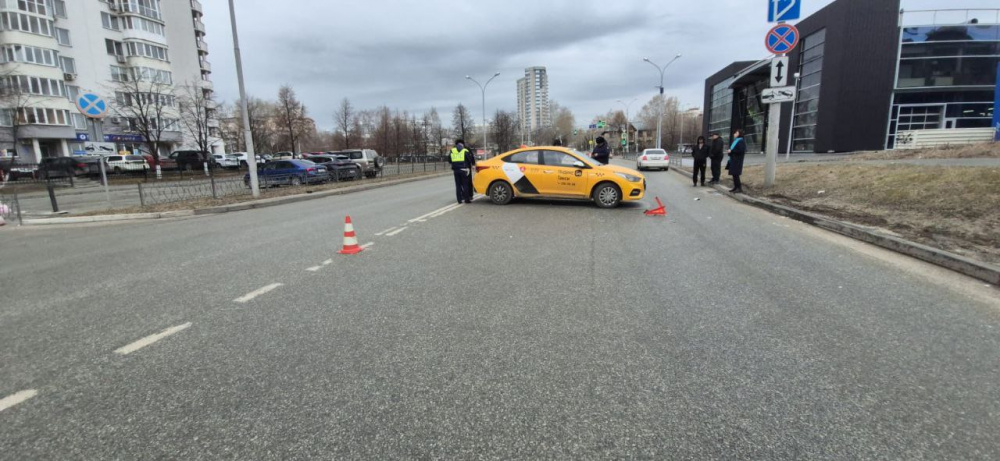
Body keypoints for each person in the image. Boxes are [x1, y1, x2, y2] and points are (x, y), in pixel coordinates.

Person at [449, 139, 474, 204]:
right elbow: (470, 159)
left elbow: (449, 160)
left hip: (456, 170)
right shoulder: (465, 150)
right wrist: (471, 165)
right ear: (462, 144)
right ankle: (467, 199)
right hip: (464, 170)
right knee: (465, 185)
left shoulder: (452, 150)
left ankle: (459, 200)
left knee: (458, 185)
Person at [726, 129, 747, 193]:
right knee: (734, 174)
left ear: (739, 134)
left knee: (736, 174)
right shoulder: (736, 141)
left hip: (737, 161)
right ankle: (735, 187)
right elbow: (733, 150)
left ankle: (739, 188)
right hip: (733, 160)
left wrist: (731, 151)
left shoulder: (741, 141)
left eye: (736, 133)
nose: (734, 134)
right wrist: (729, 152)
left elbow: (741, 150)